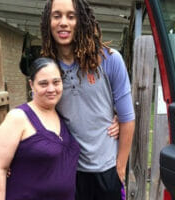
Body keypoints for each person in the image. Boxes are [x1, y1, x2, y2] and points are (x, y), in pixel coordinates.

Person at [40, 0, 135, 199]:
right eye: (57, 16)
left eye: (71, 16)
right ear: (48, 22)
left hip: (107, 172)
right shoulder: (47, 71)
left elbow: (127, 118)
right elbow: (37, 117)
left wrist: (121, 167)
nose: (63, 22)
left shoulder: (110, 60)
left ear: (81, 20)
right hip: (69, 172)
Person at [0, 57, 80, 200]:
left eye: (56, 82)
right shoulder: (18, 118)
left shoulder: (61, 114)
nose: (51, 89)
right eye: (43, 84)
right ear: (32, 85)